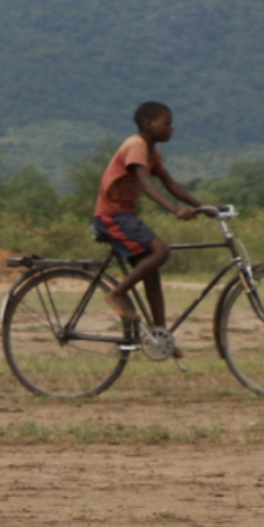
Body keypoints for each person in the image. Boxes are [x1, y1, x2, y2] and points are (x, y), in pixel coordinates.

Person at [92, 101, 216, 360]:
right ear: (149, 124)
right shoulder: (136, 146)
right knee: (161, 251)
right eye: (167, 123)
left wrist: (204, 207)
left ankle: (161, 337)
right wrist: (174, 210)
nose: (171, 128)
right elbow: (145, 183)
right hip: (112, 216)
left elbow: (170, 183)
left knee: (152, 273)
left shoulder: (151, 151)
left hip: (125, 216)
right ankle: (116, 293)